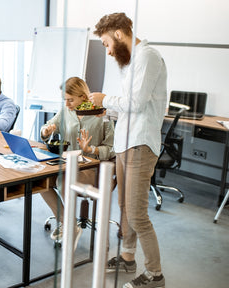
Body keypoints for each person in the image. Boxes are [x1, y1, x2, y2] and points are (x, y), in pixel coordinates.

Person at [89, 12, 167, 288]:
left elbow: (136, 102)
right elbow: (127, 105)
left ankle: (155, 274)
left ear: (119, 34)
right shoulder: (131, 61)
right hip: (124, 142)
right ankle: (127, 257)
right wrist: (105, 110)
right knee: (124, 208)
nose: (108, 51)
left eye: (107, 44)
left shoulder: (147, 57)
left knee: (137, 213)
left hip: (140, 144)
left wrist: (104, 99)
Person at [39, 77, 115, 243]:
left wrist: (90, 150)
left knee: (65, 180)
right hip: (67, 164)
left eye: (70, 100)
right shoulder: (66, 111)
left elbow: (111, 149)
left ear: (83, 96)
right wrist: (46, 130)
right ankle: (67, 223)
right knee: (40, 182)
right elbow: (48, 125)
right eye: (64, 100)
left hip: (93, 167)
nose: (67, 104)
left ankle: (68, 226)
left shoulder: (102, 112)